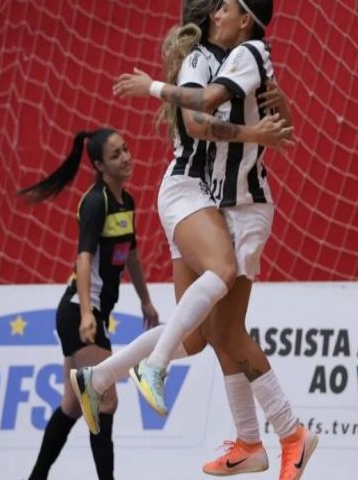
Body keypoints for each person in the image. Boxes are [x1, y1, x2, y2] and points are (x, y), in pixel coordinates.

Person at [111, 1, 319, 480]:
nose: (218, 12)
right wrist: (269, 124)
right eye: (217, 6)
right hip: (221, 203)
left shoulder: (248, 52)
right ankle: (251, 441)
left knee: (224, 333)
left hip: (245, 208)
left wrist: (153, 89)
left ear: (245, 18)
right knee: (218, 335)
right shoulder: (223, 59)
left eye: (227, 5)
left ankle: (289, 434)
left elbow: (211, 112)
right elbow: (237, 122)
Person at [17, 128, 159, 480]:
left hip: (90, 314)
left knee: (73, 406)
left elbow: (133, 257)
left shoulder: (126, 201)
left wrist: (146, 301)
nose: (125, 157)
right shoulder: (96, 202)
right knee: (105, 401)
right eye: (115, 155)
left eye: (126, 149)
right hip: (78, 313)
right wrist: (85, 314)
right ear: (99, 164)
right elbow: (83, 259)